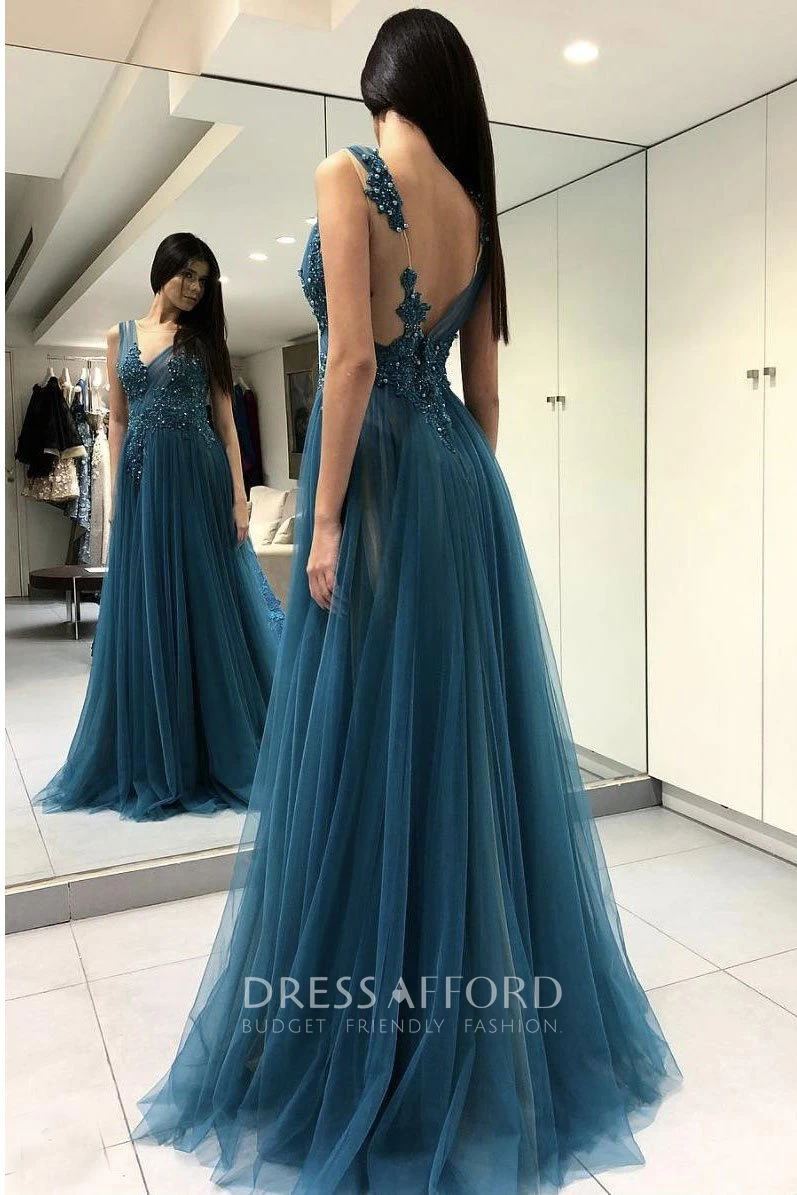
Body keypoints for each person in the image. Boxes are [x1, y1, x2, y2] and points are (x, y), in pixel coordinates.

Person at [131, 11, 682, 1191]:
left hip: (377, 478)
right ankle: (478, 1027)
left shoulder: (349, 172)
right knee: (456, 747)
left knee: (362, 744)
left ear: (380, 83)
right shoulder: (475, 211)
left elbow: (350, 362)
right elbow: (486, 398)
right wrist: (455, 506)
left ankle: (364, 1033)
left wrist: (326, 519)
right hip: (462, 490)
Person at [34, 233, 285, 821]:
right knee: (149, 606)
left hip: (198, 479)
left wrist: (240, 498)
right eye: (187, 274)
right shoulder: (117, 337)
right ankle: (161, 749)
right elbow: (118, 422)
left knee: (206, 604)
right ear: (163, 269)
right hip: (145, 486)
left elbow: (227, 427)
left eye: (204, 280)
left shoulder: (205, 341)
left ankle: (217, 745)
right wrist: (120, 495)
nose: (194, 288)